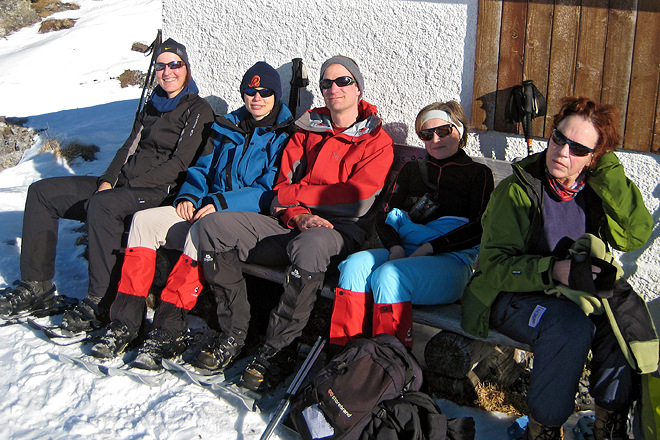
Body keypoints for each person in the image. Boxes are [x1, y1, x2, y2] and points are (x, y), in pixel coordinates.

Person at [187, 55, 394, 388]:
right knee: (212, 228)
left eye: (343, 81)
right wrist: (297, 214)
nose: (334, 88)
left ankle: (277, 349)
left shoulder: (375, 140)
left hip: (339, 231)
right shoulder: (308, 129)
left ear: (358, 88)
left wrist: (297, 197)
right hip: (291, 223)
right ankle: (235, 333)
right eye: (326, 83)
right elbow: (281, 187)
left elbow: (357, 198)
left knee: (310, 245)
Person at [460, 97, 656, 440]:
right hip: (508, 295)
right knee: (569, 327)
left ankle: (609, 422)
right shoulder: (518, 190)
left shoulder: (595, 190)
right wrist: (553, 271)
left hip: (570, 293)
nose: (563, 152)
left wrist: (608, 171)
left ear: (594, 158)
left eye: (579, 148)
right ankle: (544, 429)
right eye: (559, 138)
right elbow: (493, 267)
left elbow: (634, 234)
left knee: (621, 319)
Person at [88, 62, 295, 369]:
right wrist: (189, 195)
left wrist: (220, 203)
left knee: (202, 231)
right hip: (206, 206)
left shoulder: (285, 135)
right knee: (144, 222)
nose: (257, 98)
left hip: (238, 217)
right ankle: (125, 321)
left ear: (276, 95)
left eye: (265, 92)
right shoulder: (227, 127)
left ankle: (168, 329)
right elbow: (201, 168)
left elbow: (269, 189)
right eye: (250, 92)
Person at [0, 38, 214, 333]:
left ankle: (101, 300)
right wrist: (107, 180)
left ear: (186, 68)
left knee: (104, 205)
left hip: (158, 192)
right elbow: (128, 148)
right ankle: (36, 286)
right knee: (42, 193)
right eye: (161, 66)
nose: (168, 72)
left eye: (175, 65)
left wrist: (127, 186)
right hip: (123, 187)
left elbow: (180, 164)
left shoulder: (197, 109)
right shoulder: (152, 105)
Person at [329, 101, 494, 348]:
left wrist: (430, 247)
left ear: (459, 131)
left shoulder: (477, 174)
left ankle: (387, 360)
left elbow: (479, 227)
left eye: (443, 131)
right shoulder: (412, 170)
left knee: (390, 276)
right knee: (355, 265)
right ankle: (345, 352)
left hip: (451, 260)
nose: (435, 140)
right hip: (405, 250)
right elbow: (384, 213)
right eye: (426, 134)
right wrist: (395, 247)